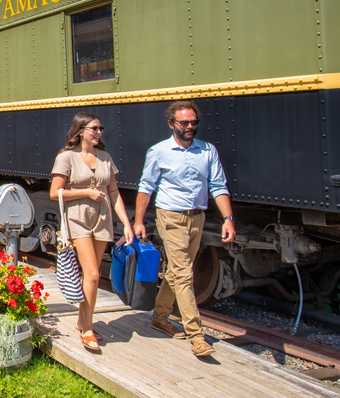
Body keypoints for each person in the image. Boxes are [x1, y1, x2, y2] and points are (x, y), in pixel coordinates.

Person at [133, 100, 236, 357]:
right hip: (170, 217)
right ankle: (196, 335)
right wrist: (137, 221)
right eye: (184, 123)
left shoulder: (207, 150)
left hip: (196, 218)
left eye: (194, 122)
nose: (190, 127)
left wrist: (228, 218)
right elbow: (146, 187)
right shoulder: (158, 151)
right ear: (171, 124)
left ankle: (159, 317)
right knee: (184, 274)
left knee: (179, 271)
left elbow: (218, 186)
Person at [50, 112, 135, 351]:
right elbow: (55, 192)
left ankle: (81, 321)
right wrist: (85, 193)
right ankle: (87, 328)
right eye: (94, 129)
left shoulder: (105, 158)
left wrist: (126, 224)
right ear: (80, 131)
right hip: (77, 220)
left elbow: (114, 192)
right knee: (94, 275)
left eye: (100, 129)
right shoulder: (66, 157)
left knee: (92, 278)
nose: (98, 133)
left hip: (102, 220)